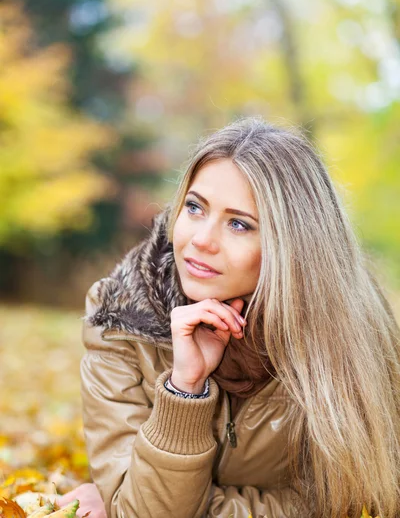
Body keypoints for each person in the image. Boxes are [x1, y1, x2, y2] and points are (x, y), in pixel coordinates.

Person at [61, 118, 400, 518]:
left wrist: (186, 506)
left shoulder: (351, 334)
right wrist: (185, 390)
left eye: (239, 224)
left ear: (292, 244)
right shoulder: (119, 320)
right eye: (194, 207)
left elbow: (354, 504)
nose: (202, 240)